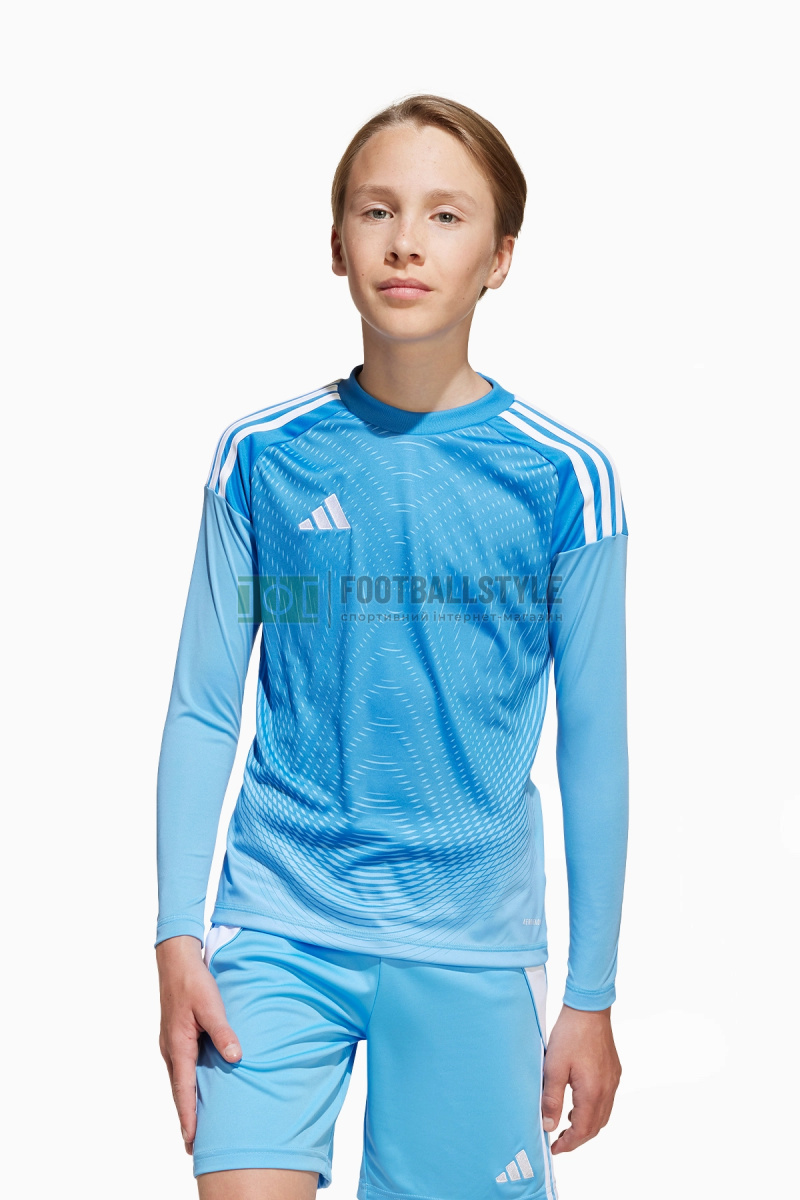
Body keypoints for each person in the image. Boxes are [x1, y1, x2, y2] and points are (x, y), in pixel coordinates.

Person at [155, 93, 629, 1200]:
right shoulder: (262, 457)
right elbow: (205, 706)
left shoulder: (564, 477)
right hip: (279, 924)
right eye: (377, 210)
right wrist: (178, 936)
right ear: (337, 243)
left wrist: (591, 995)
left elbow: (592, 745)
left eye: (445, 216)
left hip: (469, 945)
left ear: (500, 258)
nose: (406, 241)